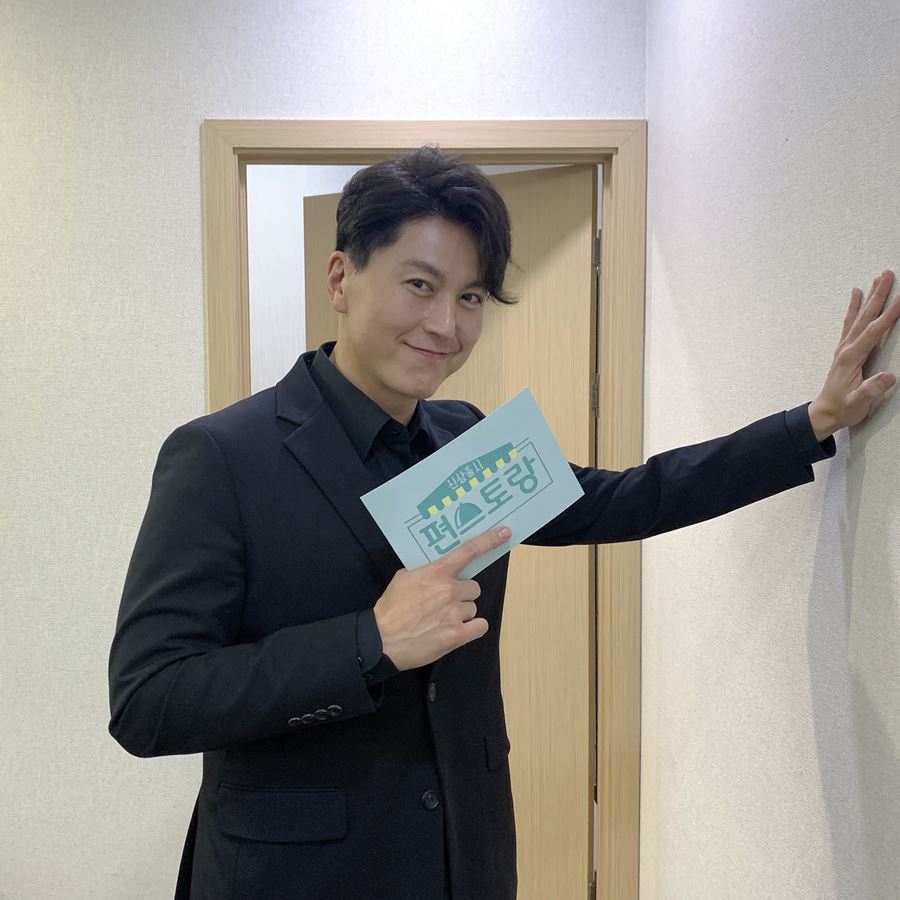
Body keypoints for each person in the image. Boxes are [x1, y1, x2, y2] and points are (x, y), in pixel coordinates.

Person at [108, 147, 899, 900]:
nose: (445, 324)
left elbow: (628, 499)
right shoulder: (221, 456)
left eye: (470, 297)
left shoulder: (465, 440)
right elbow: (148, 698)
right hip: (295, 877)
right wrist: (368, 642)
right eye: (420, 285)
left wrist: (810, 423)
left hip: (467, 858)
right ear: (341, 277)